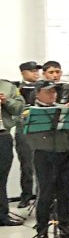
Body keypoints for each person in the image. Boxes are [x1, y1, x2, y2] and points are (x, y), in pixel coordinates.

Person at [23, 81, 69, 238]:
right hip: (45, 155)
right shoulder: (30, 112)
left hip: (66, 153)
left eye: (54, 92)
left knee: (65, 192)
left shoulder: (63, 109)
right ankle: (42, 229)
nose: (52, 95)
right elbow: (29, 134)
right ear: (37, 94)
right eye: (48, 92)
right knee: (46, 193)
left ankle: (65, 226)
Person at [0, 76, 26, 226]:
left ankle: (2, 216)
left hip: (2, 135)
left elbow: (19, 108)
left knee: (1, 179)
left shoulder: (7, 86)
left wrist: (6, 101)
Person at [15, 61, 40, 208]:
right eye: (31, 71)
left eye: (37, 70)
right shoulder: (17, 89)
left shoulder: (43, 87)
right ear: (23, 73)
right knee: (27, 165)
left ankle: (41, 196)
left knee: (42, 166)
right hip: (24, 129)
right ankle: (26, 195)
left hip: (41, 129)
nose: (35, 73)